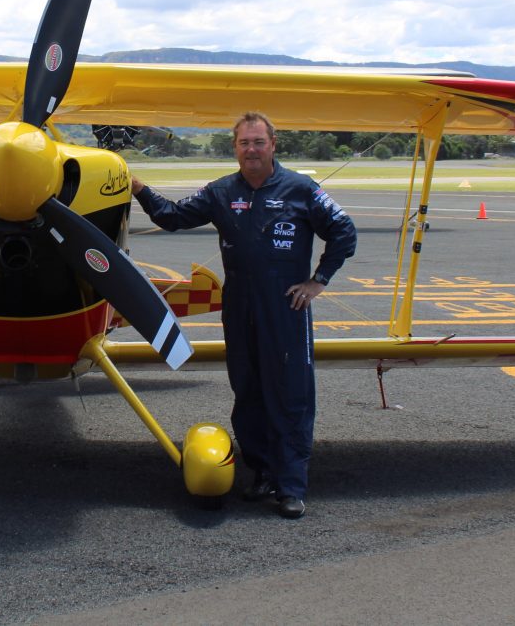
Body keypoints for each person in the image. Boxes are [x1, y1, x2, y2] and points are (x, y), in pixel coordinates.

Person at [131, 112, 356, 519]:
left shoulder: (301, 189)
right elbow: (171, 216)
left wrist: (318, 281)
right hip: (239, 307)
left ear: (273, 145)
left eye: (258, 142)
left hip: (285, 307)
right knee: (248, 392)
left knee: (290, 395)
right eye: (243, 143)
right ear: (235, 148)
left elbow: (344, 231)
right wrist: (136, 186)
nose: (251, 150)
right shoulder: (221, 192)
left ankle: (291, 486)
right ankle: (262, 473)